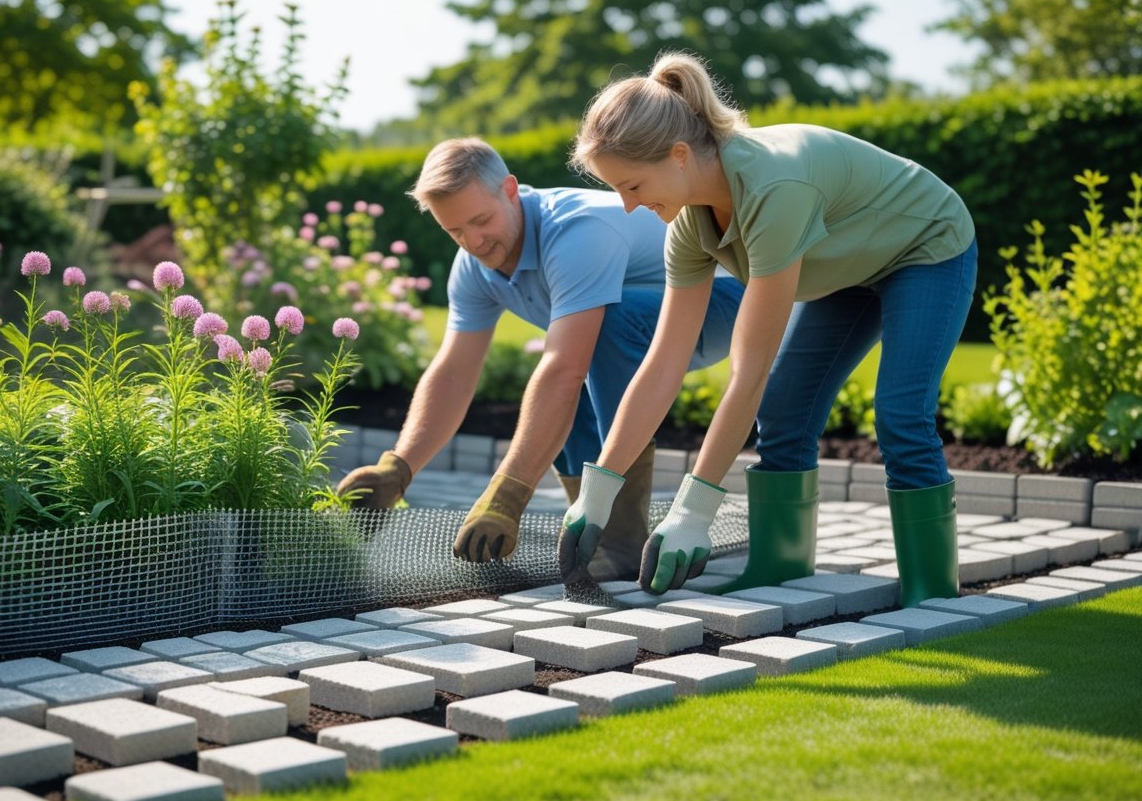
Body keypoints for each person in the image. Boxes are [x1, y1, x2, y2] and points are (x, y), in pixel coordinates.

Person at [558, 51, 977, 607]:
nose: (628, 207)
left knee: (900, 414)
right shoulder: (688, 226)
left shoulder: (773, 189)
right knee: (783, 411)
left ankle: (932, 593)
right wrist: (599, 488)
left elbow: (746, 371)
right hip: (845, 267)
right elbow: (662, 364)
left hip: (925, 247)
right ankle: (781, 564)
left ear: (679, 155)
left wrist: (692, 513)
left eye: (632, 186)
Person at [336, 137, 744, 581]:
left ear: (510, 190)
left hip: (724, 298)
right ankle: (598, 530)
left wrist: (508, 494)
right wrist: (400, 466)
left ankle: (620, 537)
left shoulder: (576, 231)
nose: (473, 241)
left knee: (588, 341)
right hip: (638, 327)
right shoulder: (474, 264)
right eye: (454, 231)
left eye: (481, 220)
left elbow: (563, 371)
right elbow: (453, 371)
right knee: (573, 362)